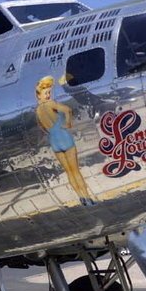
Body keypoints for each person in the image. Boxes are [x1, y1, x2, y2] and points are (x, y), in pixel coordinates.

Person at [35, 76, 99, 206]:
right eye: (46, 93)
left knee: (69, 172)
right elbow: (68, 110)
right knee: (75, 171)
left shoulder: (38, 110)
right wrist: (68, 123)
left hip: (54, 141)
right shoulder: (51, 104)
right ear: (39, 95)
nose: (48, 95)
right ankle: (87, 197)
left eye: (48, 93)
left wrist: (51, 132)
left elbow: (41, 127)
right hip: (64, 138)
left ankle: (81, 197)